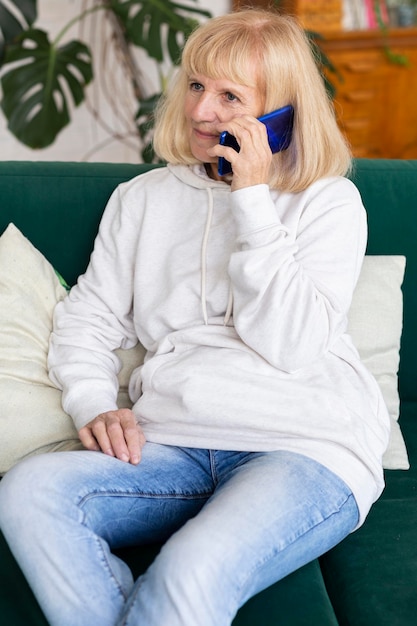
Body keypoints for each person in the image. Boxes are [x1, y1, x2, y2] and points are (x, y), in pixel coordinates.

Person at [0, 9, 390, 626]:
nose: (201, 110)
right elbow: (90, 318)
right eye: (196, 85)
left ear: (280, 112)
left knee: (188, 573)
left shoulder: (328, 201)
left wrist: (252, 201)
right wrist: (91, 402)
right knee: (28, 491)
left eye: (230, 96)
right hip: (171, 443)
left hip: (300, 446)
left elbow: (292, 345)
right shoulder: (143, 199)